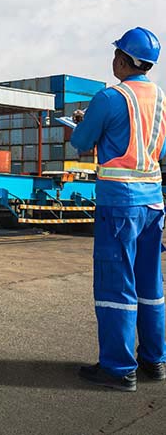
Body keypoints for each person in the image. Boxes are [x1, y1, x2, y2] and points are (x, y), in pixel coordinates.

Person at [71, 27, 166, 392]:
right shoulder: (160, 100)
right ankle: (154, 362)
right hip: (153, 203)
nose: (113, 60)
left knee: (116, 285)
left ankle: (118, 368)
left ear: (125, 60)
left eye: (116, 55)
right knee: (150, 285)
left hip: (120, 204)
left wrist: (84, 122)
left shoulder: (110, 98)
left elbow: (81, 142)